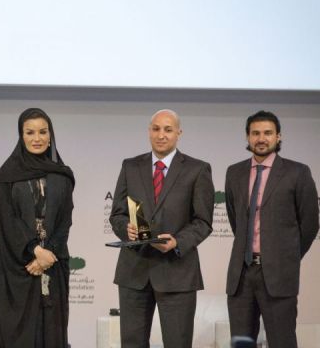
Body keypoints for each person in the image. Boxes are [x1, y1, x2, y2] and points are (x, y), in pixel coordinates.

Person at [109, 109, 214, 348]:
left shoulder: (198, 169)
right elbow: (117, 214)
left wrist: (178, 241)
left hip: (177, 272)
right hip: (134, 273)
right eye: (156, 129)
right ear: (149, 131)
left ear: (179, 133)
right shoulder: (130, 166)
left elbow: (203, 221)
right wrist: (127, 229)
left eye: (168, 129)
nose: (161, 135)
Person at [225, 110, 319, 347]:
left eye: (268, 133)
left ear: (278, 137)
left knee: (282, 341)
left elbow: (309, 224)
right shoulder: (234, 172)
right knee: (241, 342)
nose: (261, 138)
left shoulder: (298, 172)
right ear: (247, 137)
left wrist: (286, 257)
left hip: (279, 276)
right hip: (241, 275)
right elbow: (236, 219)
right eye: (255, 133)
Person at [0, 108, 75, 348]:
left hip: (54, 264)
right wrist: (35, 251)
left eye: (43, 132)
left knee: (53, 331)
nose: (37, 138)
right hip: (18, 266)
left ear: (50, 135)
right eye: (30, 132)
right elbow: (7, 219)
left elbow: (65, 221)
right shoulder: (8, 175)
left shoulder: (63, 174)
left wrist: (49, 254)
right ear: (21, 136)